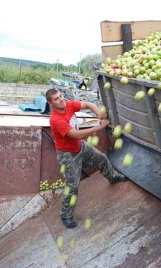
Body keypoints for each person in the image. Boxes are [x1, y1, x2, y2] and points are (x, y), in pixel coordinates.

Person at [46, 88, 128, 229]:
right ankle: (65, 215)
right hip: (67, 154)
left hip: (79, 146)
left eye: (61, 96)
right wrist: (100, 126)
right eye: (56, 99)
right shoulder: (56, 119)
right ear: (50, 103)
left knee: (101, 159)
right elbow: (77, 134)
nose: (61, 100)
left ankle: (112, 177)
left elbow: (89, 105)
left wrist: (99, 115)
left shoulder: (68, 104)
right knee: (72, 186)